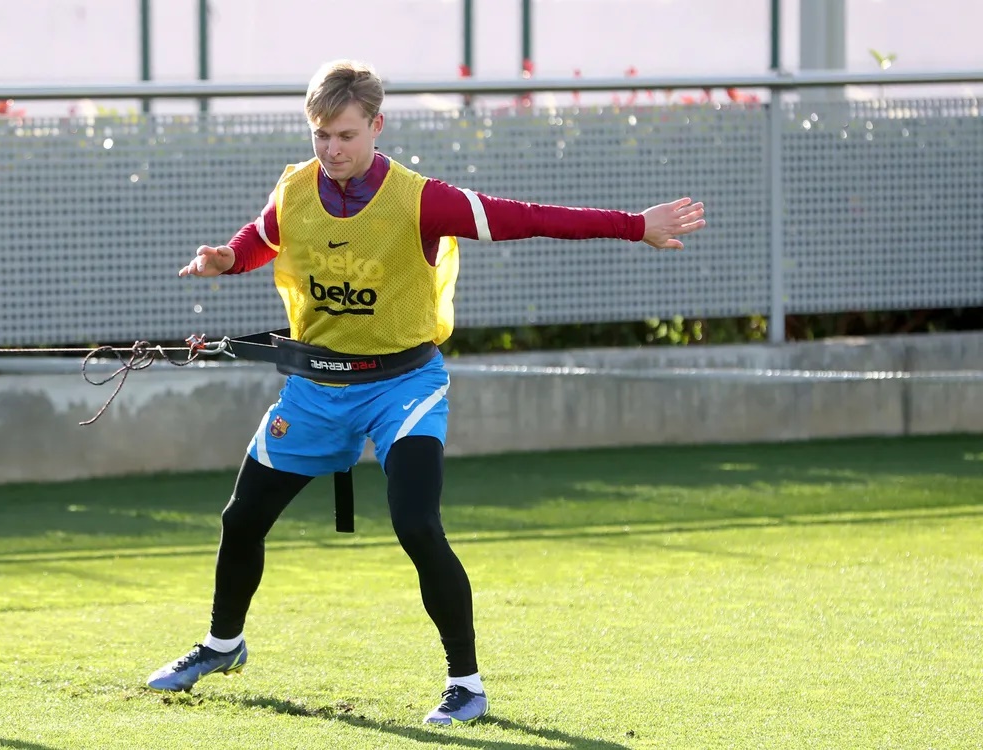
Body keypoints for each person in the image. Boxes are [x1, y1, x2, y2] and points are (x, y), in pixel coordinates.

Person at [145, 59, 705, 726]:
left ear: (377, 126)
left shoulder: (420, 199)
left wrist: (634, 225)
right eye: (320, 135)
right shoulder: (297, 187)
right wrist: (226, 259)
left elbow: (528, 218)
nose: (331, 149)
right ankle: (222, 645)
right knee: (241, 519)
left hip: (403, 387)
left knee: (416, 524)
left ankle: (466, 685)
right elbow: (265, 236)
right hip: (318, 388)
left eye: (346, 135)